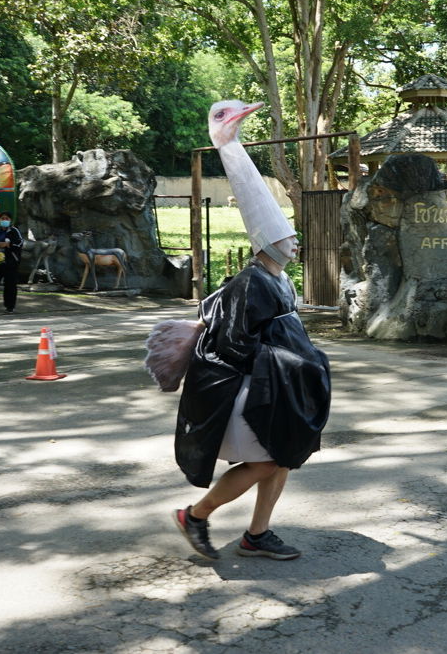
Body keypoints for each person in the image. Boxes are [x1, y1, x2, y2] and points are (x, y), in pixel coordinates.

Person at [148, 100, 331, 561]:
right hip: (250, 393)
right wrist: (294, 363)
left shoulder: (280, 279)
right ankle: (196, 515)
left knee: (285, 455)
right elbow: (233, 345)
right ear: (268, 243)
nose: (296, 242)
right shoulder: (251, 281)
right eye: (288, 238)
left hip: (276, 390)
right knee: (268, 459)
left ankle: (257, 534)